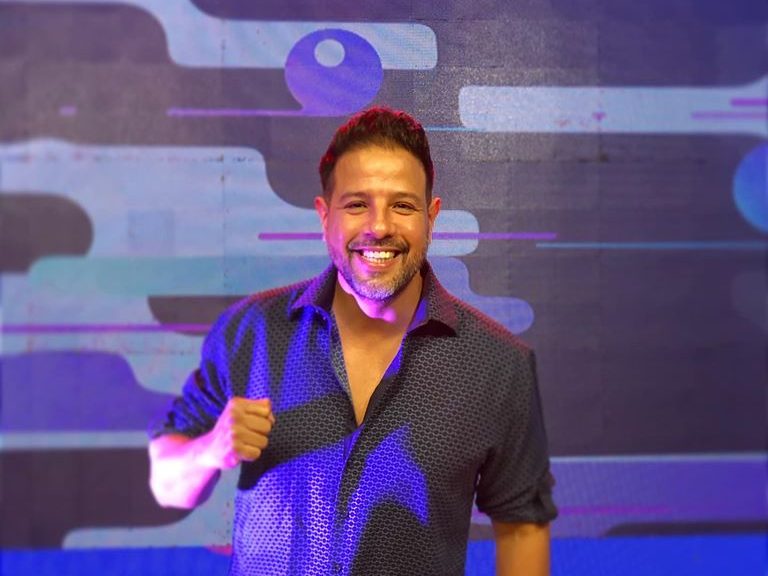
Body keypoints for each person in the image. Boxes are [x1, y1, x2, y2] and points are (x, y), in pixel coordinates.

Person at [148, 107, 557, 575]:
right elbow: (166, 484)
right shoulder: (251, 330)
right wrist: (210, 449)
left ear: (431, 216)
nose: (378, 227)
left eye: (402, 206)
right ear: (325, 216)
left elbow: (522, 529)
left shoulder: (497, 365)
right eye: (357, 205)